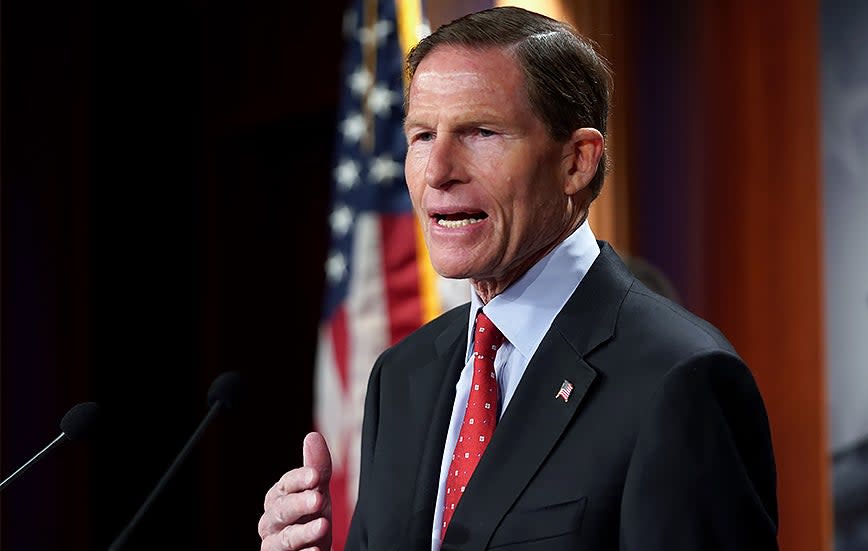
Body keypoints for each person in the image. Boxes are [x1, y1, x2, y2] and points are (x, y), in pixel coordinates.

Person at [258, 7, 778, 551]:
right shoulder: (401, 376)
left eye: (480, 132)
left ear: (577, 161)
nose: (438, 171)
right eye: (421, 136)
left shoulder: (679, 379)